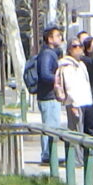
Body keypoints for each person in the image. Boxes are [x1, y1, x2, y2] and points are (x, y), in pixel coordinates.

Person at [26, 24, 66, 165]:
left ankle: (50, 154)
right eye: (57, 35)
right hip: (48, 96)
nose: (60, 38)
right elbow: (44, 74)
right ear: (49, 39)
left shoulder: (50, 53)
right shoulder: (47, 54)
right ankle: (48, 155)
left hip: (49, 96)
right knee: (50, 127)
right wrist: (58, 78)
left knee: (52, 126)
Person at [54, 37, 93, 137]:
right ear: (69, 49)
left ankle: (85, 153)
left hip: (86, 103)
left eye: (80, 46)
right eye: (74, 46)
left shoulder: (81, 65)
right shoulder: (66, 66)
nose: (78, 48)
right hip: (75, 104)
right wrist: (73, 105)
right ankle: (76, 153)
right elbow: (69, 87)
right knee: (76, 134)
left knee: (86, 135)